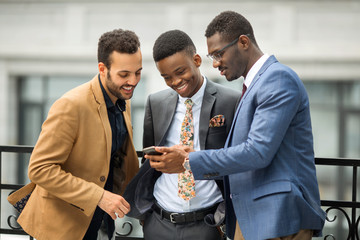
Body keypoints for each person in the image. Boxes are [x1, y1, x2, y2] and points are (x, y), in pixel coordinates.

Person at [146, 11, 326, 240]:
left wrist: (187, 161)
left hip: (277, 217)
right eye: (212, 56)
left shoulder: (277, 79)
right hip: (253, 217)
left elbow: (257, 151)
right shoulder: (253, 86)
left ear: (243, 42)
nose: (217, 64)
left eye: (219, 54)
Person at [15, 29, 142, 240]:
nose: (133, 81)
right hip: (63, 228)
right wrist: (98, 196)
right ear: (102, 69)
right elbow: (40, 169)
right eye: (124, 74)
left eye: (138, 72)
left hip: (102, 222)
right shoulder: (70, 105)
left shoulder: (123, 100)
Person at [123, 30, 240, 240]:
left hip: (208, 223)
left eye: (180, 72)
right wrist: (146, 216)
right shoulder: (155, 102)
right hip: (159, 221)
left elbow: (237, 161)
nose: (175, 81)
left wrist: (189, 161)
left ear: (196, 60)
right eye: (166, 77)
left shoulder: (231, 101)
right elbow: (149, 162)